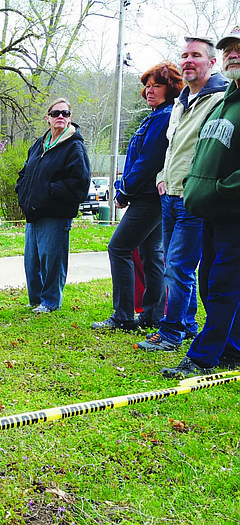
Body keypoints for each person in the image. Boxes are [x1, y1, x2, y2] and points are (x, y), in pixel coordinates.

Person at [139, 37, 229, 351]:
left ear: (212, 62)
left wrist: (194, 184)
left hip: (194, 198)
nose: (188, 61)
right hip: (170, 195)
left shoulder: (220, 99)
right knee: (172, 265)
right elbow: (174, 148)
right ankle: (186, 324)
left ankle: (170, 333)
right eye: (184, 56)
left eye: (196, 56)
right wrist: (163, 177)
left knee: (179, 266)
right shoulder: (181, 101)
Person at [161, 28, 240, 378]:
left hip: (233, 212)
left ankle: (204, 357)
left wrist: (221, 190)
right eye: (230, 49)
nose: (233, 54)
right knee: (208, 283)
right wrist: (196, 185)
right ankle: (233, 350)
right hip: (209, 213)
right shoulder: (225, 101)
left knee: (222, 286)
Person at [92, 63, 182, 333]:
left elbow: (147, 161)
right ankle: (153, 315)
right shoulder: (155, 116)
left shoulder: (164, 117)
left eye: (156, 85)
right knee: (151, 254)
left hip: (147, 197)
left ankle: (123, 316)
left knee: (118, 248)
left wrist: (124, 191)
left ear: (170, 88)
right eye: (147, 85)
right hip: (151, 197)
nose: (149, 91)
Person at [16, 98, 91, 313]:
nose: (60, 116)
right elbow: (24, 174)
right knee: (33, 262)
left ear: (70, 119)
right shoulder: (39, 144)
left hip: (56, 214)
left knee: (52, 261)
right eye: (56, 113)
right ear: (47, 118)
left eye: (65, 114)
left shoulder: (74, 147)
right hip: (34, 213)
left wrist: (48, 191)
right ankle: (36, 301)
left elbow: (79, 184)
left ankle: (50, 302)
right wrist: (23, 192)